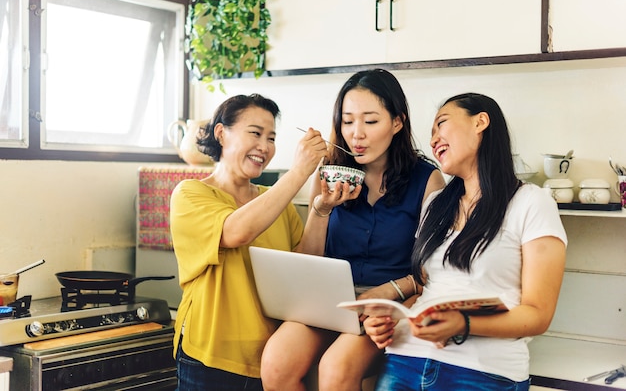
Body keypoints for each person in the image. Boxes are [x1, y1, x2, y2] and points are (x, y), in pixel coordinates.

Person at [363, 93, 567, 390]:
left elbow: (538, 314)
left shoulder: (532, 202)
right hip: (405, 360)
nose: (433, 140)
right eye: (431, 133)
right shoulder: (435, 204)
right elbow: (426, 289)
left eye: (441, 124)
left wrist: (464, 323)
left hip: (483, 372)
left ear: (480, 122)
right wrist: (390, 320)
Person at [261, 69, 446, 391]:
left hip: (386, 306)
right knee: (276, 363)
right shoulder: (330, 173)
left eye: (370, 121)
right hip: (329, 301)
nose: (356, 134)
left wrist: (390, 291)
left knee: (336, 368)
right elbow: (308, 260)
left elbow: (434, 269)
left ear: (397, 122)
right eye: (348, 121)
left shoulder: (428, 180)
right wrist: (321, 209)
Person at [169, 94, 328, 390]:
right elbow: (235, 232)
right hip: (210, 358)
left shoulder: (276, 200)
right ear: (221, 134)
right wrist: (298, 173)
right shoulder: (190, 194)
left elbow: (305, 266)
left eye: (271, 138)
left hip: (272, 359)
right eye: (255, 133)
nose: (264, 147)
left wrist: (321, 209)